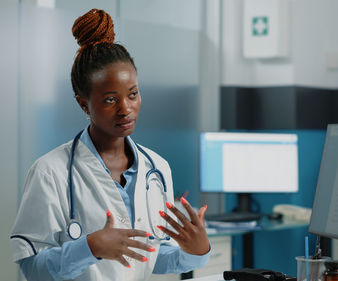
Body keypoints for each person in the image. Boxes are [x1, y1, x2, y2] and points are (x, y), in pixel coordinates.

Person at [10, 9, 210, 281]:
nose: (126, 109)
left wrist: (196, 252)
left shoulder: (158, 169)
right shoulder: (49, 172)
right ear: (84, 104)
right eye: (110, 100)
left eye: (133, 94)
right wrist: (89, 248)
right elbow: (32, 268)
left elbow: (148, 257)